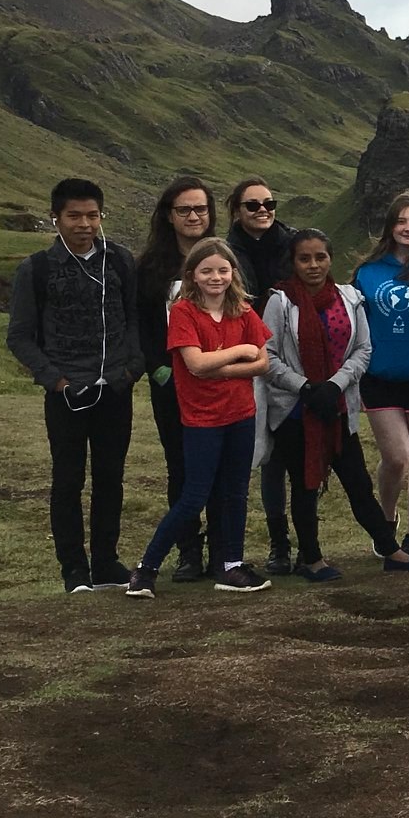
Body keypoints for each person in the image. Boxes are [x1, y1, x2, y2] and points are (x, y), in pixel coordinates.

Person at [260, 229, 409, 580]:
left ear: (330, 259)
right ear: (293, 262)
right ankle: (312, 559)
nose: (313, 265)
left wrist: (335, 385)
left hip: (339, 407)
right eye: (304, 258)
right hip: (297, 410)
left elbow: (363, 350)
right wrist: (305, 387)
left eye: (320, 257)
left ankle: (391, 550)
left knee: (357, 482)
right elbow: (268, 355)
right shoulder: (280, 302)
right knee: (305, 486)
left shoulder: (349, 298)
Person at [5, 178, 143, 594]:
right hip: (66, 394)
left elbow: (134, 317)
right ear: (56, 218)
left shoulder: (119, 260)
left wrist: (130, 370)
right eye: (74, 216)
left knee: (110, 477)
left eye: (92, 215)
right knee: (68, 480)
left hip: (114, 389)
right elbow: (20, 335)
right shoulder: (38, 269)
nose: (85, 224)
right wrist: (56, 380)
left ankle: (105, 563)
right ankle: (73, 570)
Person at [124, 239, 270, 597]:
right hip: (202, 418)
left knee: (236, 492)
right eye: (206, 270)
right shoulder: (184, 312)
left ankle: (231, 566)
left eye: (222, 269)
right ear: (192, 275)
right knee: (194, 495)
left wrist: (220, 367)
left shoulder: (245, 311)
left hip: (241, 414)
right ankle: (146, 569)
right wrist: (238, 353)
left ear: (233, 272)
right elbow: (195, 364)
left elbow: (263, 363)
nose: (216, 277)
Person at [352, 191, 409, 557]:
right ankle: (385, 521)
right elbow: (357, 324)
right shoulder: (367, 271)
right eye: (402, 221)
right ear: (391, 224)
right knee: (397, 457)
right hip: (379, 377)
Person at [134, 176, 217, 581]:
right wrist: (159, 369)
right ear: (169, 215)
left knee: (222, 467)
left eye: (200, 208)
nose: (193, 216)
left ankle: (224, 550)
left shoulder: (224, 257)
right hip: (172, 384)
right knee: (180, 467)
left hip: (220, 381)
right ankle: (188, 552)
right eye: (184, 209)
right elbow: (142, 325)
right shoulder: (151, 267)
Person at [224, 176, 299, 573]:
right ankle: (277, 543)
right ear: (236, 210)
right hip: (248, 361)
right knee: (264, 454)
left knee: (293, 451)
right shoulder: (225, 253)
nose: (263, 211)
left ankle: (299, 542)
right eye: (252, 205)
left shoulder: (293, 245)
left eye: (269, 203)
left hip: (294, 359)